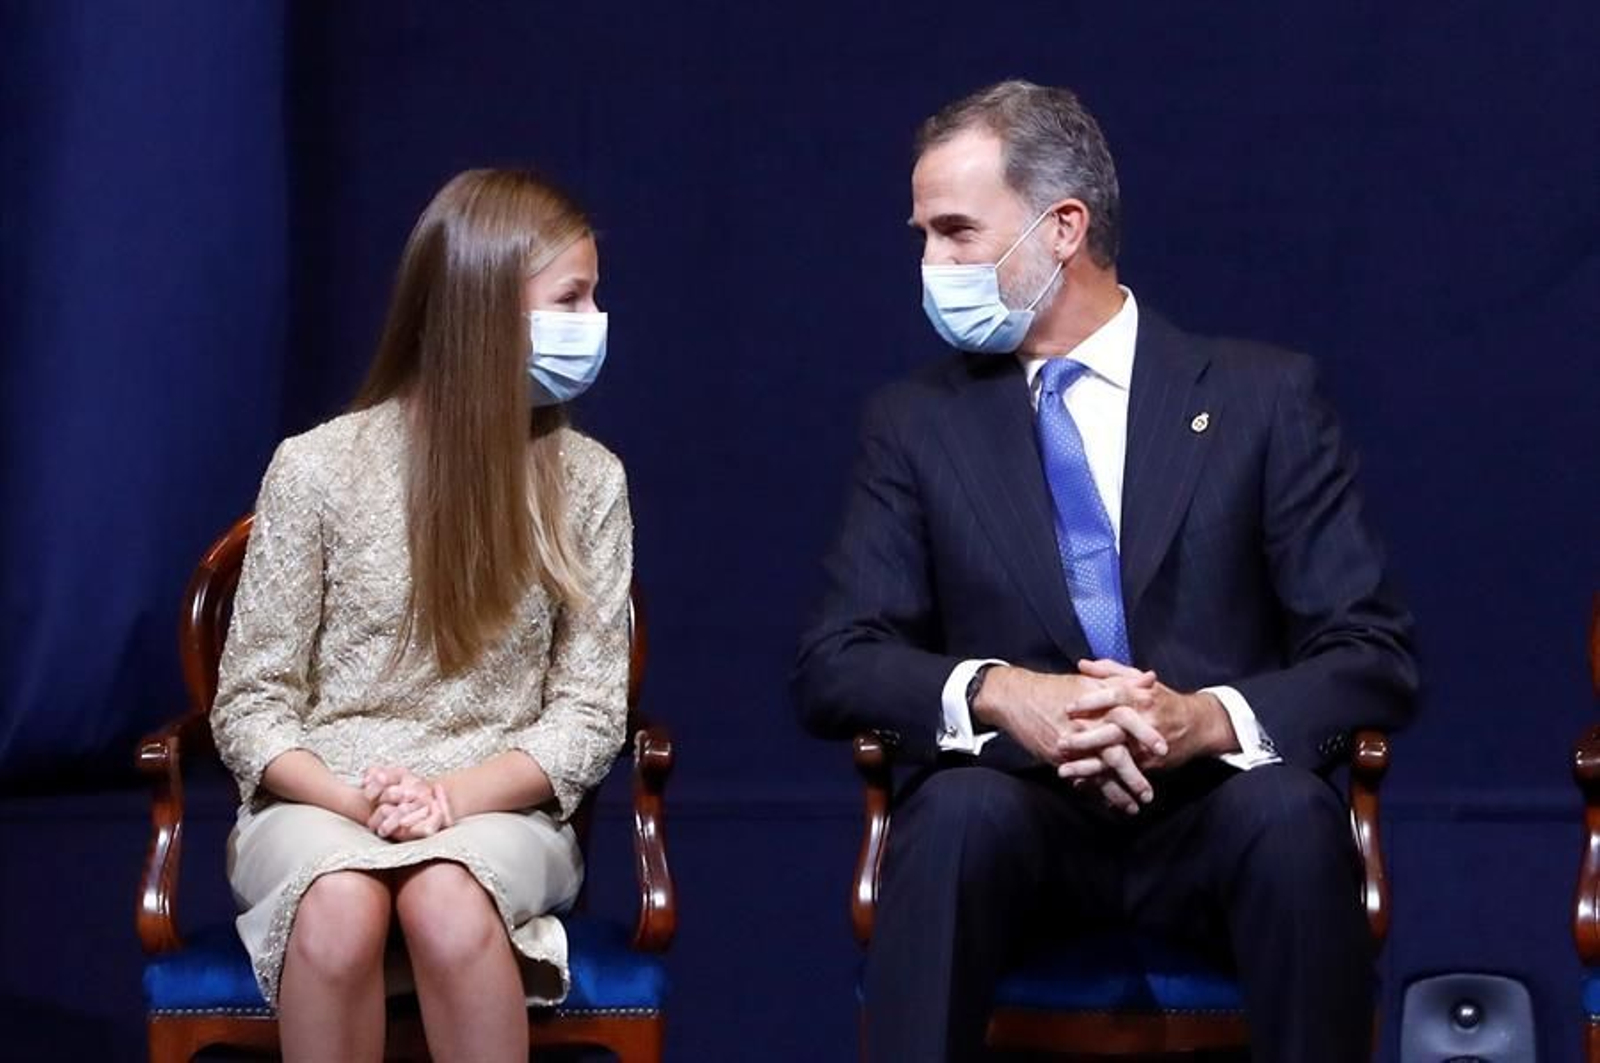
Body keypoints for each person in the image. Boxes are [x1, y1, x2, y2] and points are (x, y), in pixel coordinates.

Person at [793, 81, 1418, 1063]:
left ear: (1061, 228)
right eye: (921, 237)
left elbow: (1371, 653)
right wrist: (1003, 693)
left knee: (1295, 817)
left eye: (956, 232)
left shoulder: (1262, 398)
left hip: (1218, 815)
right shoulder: (915, 425)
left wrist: (1202, 719)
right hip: (1018, 821)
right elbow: (837, 660)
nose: (930, 265)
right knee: (949, 815)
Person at [212, 168, 632, 1063]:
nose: (593, 321)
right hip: (324, 799)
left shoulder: (590, 479)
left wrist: (453, 798)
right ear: (485, 309)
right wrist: (348, 796)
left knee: (447, 896)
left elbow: (590, 712)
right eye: (573, 297)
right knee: (338, 902)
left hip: (498, 809)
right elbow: (250, 704)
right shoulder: (316, 468)